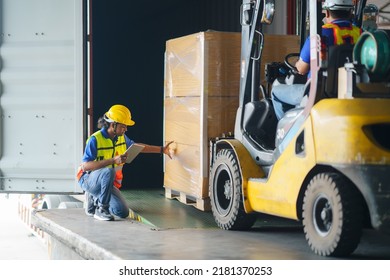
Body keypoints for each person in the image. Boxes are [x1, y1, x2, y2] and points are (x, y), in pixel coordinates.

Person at [76, 104, 174, 221]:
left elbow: (138, 147)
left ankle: (95, 198)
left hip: (107, 184)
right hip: (87, 180)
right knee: (108, 171)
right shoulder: (95, 139)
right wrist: (113, 160)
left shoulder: (121, 137)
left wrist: (161, 149)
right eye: (123, 126)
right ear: (113, 125)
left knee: (122, 212)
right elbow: (86, 166)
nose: (125, 129)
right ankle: (101, 209)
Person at [271, 0, 362, 120]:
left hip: (318, 92)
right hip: (353, 91)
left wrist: (298, 63)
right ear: (351, 12)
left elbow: (302, 69)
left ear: (327, 13)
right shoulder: (361, 35)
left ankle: (287, 135)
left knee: (276, 91)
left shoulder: (320, 34)